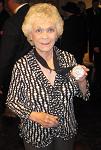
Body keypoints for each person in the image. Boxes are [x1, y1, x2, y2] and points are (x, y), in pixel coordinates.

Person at [6, 3, 90, 150]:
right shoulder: (22, 65)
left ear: (57, 32)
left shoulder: (68, 58)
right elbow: (12, 101)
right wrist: (34, 115)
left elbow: (84, 95)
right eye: (38, 30)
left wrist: (82, 81)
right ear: (30, 34)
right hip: (36, 133)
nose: (45, 36)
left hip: (66, 130)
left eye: (50, 30)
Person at [0, 0, 32, 115]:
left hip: (16, 75)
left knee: (13, 115)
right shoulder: (37, 15)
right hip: (37, 73)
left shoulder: (13, 21)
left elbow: (6, 56)